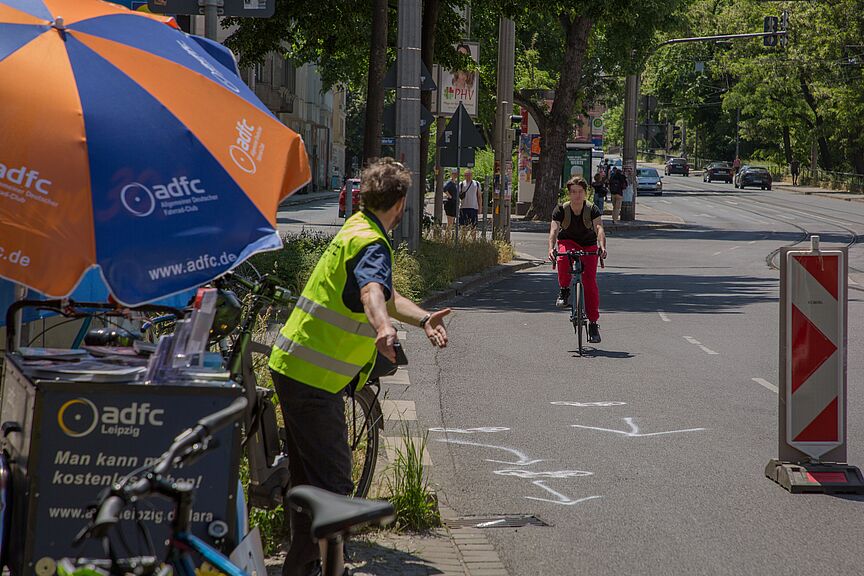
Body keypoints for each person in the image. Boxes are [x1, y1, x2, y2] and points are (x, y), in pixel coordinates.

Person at [268, 158, 451, 576]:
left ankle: (302, 568)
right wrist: (384, 329)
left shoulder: (355, 231)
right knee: (334, 490)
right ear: (401, 203)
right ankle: (332, 568)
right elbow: (372, 292)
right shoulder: (372, 244)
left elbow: (382, 292)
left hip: (294, 367)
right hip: (315, 380)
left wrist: (423, 318)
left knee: (307, 486)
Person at [548, 176, 607, 343]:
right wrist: (551, 248)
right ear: (569, 193)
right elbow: (553, 231)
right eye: (573, 192)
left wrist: (602, 246)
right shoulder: (561, 209)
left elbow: (599, 228)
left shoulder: (592, 209)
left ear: (585, 193)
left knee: (590, 284)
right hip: (568, 242)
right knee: (562, 259)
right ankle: (565, 290)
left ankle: (593, 324)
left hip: (588, 245)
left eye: (580, 192)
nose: (577, 195)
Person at [458, 169, 482, 237]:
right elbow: (458, 196)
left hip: (474, 208)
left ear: (472, 175)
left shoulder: (476, 184)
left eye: (469, 175)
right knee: (463, 226)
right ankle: (463, 241)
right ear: (464, 176)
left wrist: (480, 208)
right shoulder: (461, 184)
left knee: (473, 226)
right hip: (463, 208)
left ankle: (474, 242)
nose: (468, 176)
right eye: (466, 175)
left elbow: (479, 196)